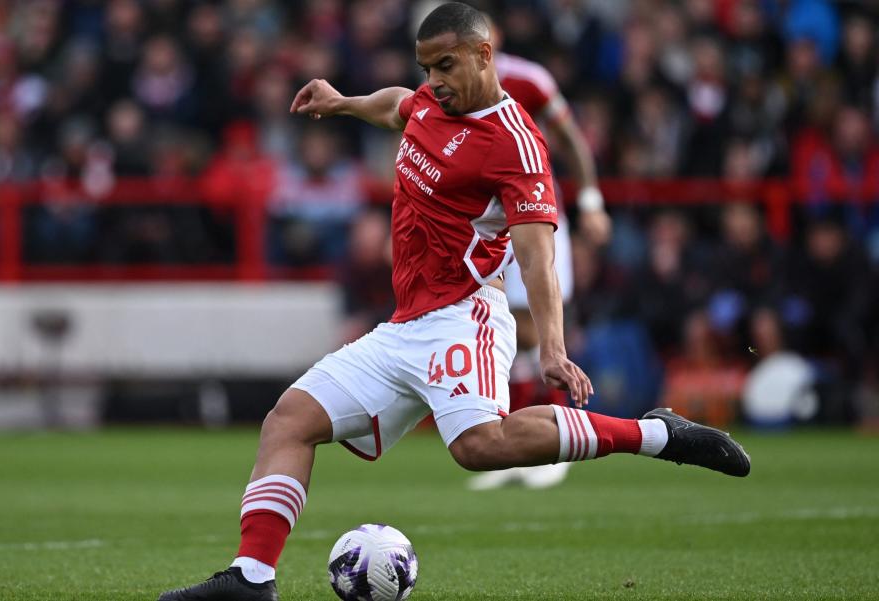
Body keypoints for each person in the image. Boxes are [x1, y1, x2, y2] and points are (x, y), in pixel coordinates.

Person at [157, 5, 750, 600]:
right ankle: (252, 580)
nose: (434, 79)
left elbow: (537, 252)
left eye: (445, 65)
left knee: (477, 447)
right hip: (405, 324)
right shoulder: (434, 101)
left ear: (484, 54)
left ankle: (657, 435)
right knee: (289, 420)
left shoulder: (514, 143)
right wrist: (342, 102)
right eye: (426, 67)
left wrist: (553, 346)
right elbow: (398, 105)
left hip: (465, 316)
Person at [468, 15, 612, 491]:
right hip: (487, 227)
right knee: (504, 331)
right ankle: (515, 449)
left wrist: (591, 200)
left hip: (537, 217)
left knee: (538, 327)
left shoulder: (530, 80)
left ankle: (554, 448)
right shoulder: (449, 88)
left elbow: (570, 139)